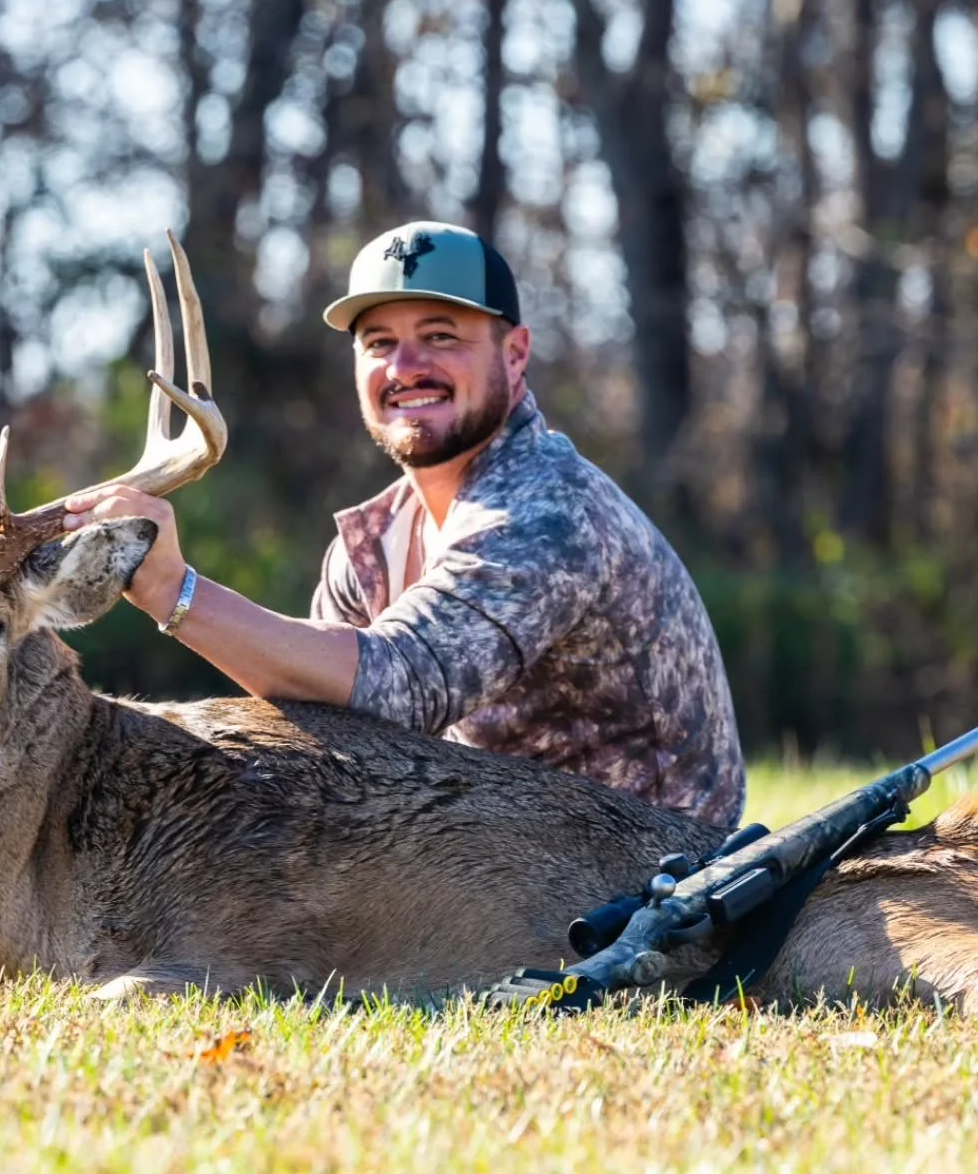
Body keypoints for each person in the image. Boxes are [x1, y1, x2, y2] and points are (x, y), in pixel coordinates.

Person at [64, 220, 746, 826]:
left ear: (515, 354)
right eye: (380, 343)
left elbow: (402, 689)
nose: (405, 367)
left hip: (653, 877)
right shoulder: (370, 541)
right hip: (488, 852)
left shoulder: (547, 510)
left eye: (440, 337)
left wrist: (174, 592)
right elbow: (330, 732)